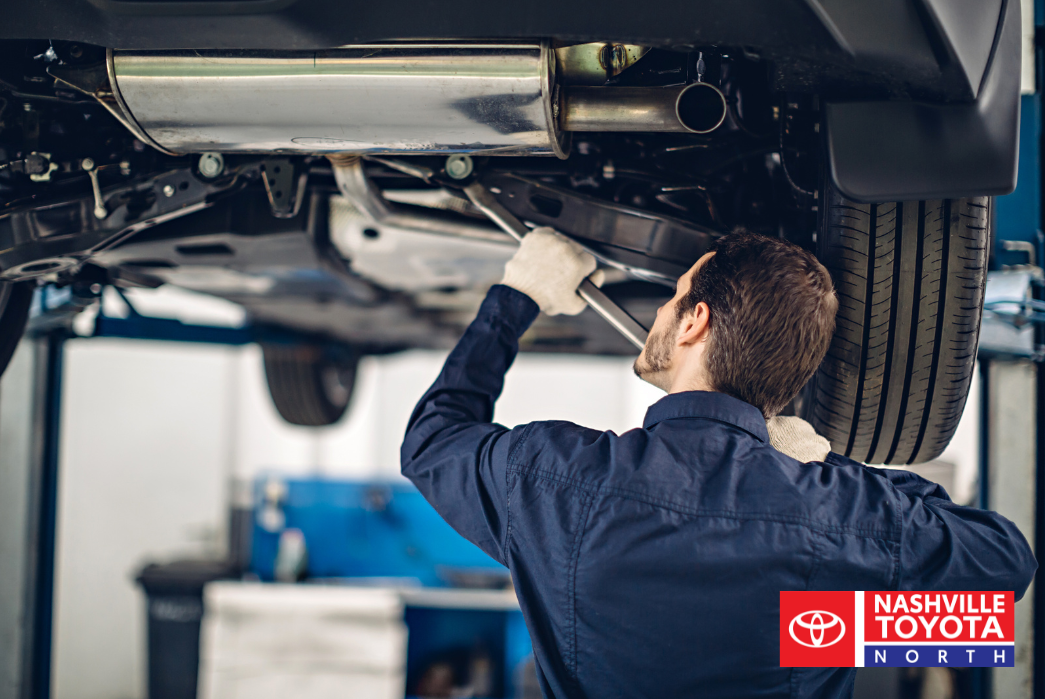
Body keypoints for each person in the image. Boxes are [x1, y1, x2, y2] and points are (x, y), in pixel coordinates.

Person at [400, 228, 1036, 698]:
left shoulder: (553, 480)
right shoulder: (838, 515)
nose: (660, 311)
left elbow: (431, 441)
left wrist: (519, 295)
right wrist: (824, 629)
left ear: (694, 323)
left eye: (673, 297)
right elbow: (1000, 580)